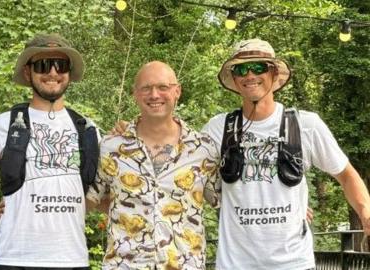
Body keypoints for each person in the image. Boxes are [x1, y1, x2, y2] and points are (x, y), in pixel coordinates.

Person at [201, 38, 370, 269]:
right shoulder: (218, 128)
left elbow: (346, 175)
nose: (250, 75)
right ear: (235, 79)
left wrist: (366, 213)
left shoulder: (306, 125)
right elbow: (188, 179)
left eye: (259, 67)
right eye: (241, 69)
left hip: (294, 263)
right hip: (234, 264)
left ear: (273, 74)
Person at [0, 33, 99, 270]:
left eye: (61, 65)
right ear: (28, 73)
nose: (53, 73)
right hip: (14, 259)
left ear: (69, 72)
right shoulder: (2, 125)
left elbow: (95, 195)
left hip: (73, 259)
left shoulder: (89, 130)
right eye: (43, 65)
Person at [86, 61, 220, 269]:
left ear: (177, 92)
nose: (154, 95)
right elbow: (90, 200)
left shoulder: (203, 150)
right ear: (135, 94)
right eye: (146, 88)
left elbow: (228, 203)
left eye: (163, 87)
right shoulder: (111, 148)